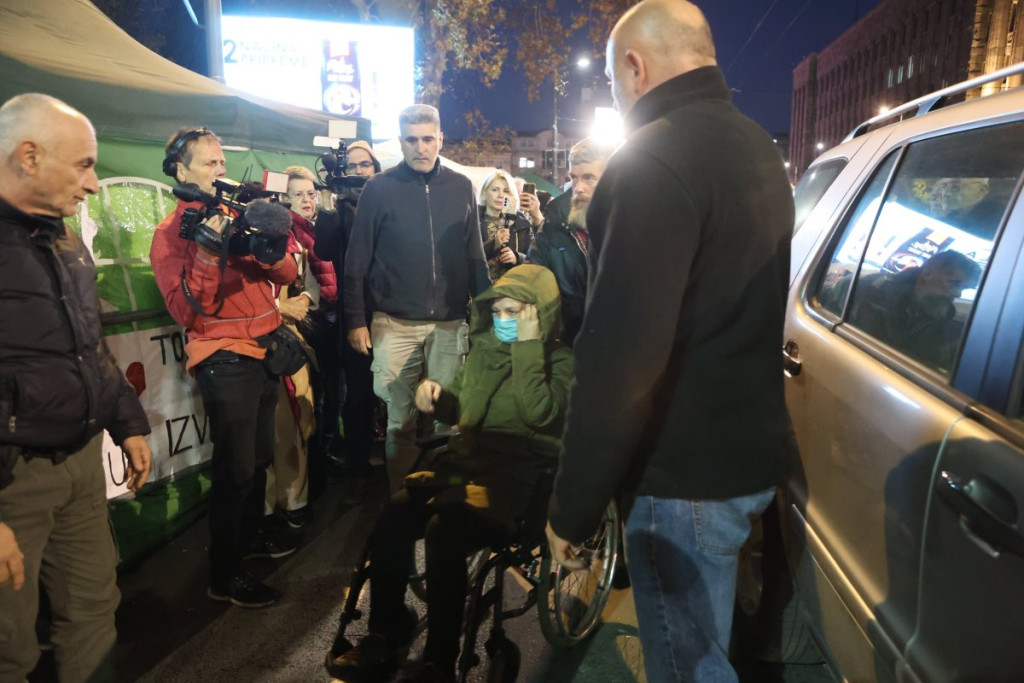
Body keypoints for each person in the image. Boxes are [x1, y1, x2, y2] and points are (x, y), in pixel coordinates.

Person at [544, 2, 796, 681]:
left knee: (690, 666)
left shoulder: (651, 161)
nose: (615, 95)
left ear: (635, 66)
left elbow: (619, 361)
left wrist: (572, 510)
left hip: (683, 476)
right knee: (712, 649)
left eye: (611, 79)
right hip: (747, 456)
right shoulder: (757, 147)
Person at [327, 265, 572, 683]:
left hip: (518, 483)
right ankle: (385, 632)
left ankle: (438, 660)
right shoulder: (486, 351)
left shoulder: (562, 361)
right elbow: (461, 406)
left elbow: (539, 414)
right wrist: (438, 397)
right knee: (394, 514)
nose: (502, 320)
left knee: (444, 531)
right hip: (465, 470)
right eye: (497, 311)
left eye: (514, 312)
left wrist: (528, 348)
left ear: (540, 313)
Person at [0, 93, 152, 682]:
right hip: (13, 482)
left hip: (81, 464)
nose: (93, 183)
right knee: (8, 645)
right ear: (29, 156)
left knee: (93, 611)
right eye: (84, 164)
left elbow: (89, 344)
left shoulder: (64, 239)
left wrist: (127, 421)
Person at [150, 126, 298, 608]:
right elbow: (189, 312)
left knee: (257, 459)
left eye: (222, 162)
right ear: (180, 170)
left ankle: (248, 538)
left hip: (265, 350)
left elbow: (289, 274)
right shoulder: (170, 235)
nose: (220, 171)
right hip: (225, 358)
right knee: (234, 470)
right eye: (210, 163)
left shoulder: (238, 213)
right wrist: (208, 252)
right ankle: (225, 574)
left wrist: (270, 246)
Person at [343, 104, 490, 492]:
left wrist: (491, 319)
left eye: (427, 139)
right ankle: (402, 499)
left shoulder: (461, 187)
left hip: (449, 323)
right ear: (401, 142)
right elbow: (356, 260)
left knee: (449, 419)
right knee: (400, 421)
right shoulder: (378, 189)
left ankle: (444, 498)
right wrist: (356, 320)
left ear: (440, 139)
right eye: (412, 140)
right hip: (393, 323)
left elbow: (475, 257)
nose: (420, 148)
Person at [268, 165, 339, 526]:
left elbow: (315, 278)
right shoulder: (283, 234)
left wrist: (309, 300)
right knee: (299, 413)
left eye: (311, 193)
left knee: (316, 404)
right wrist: (291, 306)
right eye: (298, 194)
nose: (307, 200)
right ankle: (293, 499)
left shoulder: (314, 229)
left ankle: (310, 481)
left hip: (316, 320)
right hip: (295, 330)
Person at [313, 140, 382, 478]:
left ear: (376, 168)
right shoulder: (339, 209)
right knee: (358, 396)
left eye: (364, 164)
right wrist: (330, 203)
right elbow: (324, 250)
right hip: (355, 314)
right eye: (351, 166)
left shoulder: (388, 201)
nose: (358, 171)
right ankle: (358, 471)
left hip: (391, 311)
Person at [527, 138, 611, 345]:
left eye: (589, 178)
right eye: (574, 178)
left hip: (617, 346)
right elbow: (533, 271)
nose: (578, 188)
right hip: (566, 344)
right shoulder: (555, 218)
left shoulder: (633, 221)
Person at [852, 250, 982, 371]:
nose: (958, 294)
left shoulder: (940, 311)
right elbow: (872, 350)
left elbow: (928, 356)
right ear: (927, 274)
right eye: (955, 284)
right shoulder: (880, 291)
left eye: (963, 288)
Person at [477, 170, 533, 281]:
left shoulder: (522, 224)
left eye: (506, 191)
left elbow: (535, 259)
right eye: (495, 190)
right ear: (484, 193)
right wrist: (493, 245)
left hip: (511, 287)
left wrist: (517, 258)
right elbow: (464, 257)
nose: (501, 195)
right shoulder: (472, 221)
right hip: (480, 287)